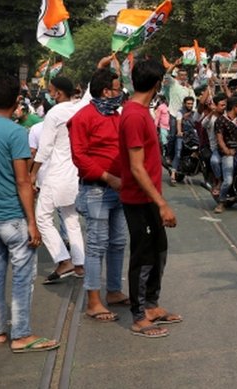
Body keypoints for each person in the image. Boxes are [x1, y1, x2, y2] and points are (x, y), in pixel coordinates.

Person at [0, 74, 59, 352]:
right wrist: (33, 222)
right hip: (12, 216)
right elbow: (23, 181)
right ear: (17, 100)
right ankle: (20, 334)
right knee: (22, 276)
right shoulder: (15, 133)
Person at [118, 59, 181, 338]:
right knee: (143, 257)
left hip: (149, 200)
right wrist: (162, 203)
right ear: (157, 85)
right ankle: (139, 315)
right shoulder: (133, 115)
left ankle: (152, 305)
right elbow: (136, 166)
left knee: (159, 251)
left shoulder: (142, 112)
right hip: (139, 200)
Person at [68, 66, 130, 322]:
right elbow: (79, 157)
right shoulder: (83, 117)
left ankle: (113, 290)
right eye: (117, 89)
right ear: (106, 91)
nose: (120, 94)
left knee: (118, 243)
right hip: (96, 190)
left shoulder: (117, 115)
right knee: (96, 246)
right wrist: (108, 177)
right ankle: (93, 300)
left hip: (119, 190)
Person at [31, 75, 87, 283]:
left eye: (51, 90)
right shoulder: (79, 107)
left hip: (56, 172)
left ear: (59, 93)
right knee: (71, 219)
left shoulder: (54, 113)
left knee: (42, 218)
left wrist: (33, 172)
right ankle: (79, 263)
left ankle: (64, 260)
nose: (49, 93)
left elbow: (44, 148)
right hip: (75, 172)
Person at [170, 95, 196, 184]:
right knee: (178, 152)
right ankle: (173, 174)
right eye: (188, 103)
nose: (190, 105)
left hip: (192, 136)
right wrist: (179, 132)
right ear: (184, 104)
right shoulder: (180, 113)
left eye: (191, 104)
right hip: (182, 135)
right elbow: (179, 122)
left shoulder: (194, 113)